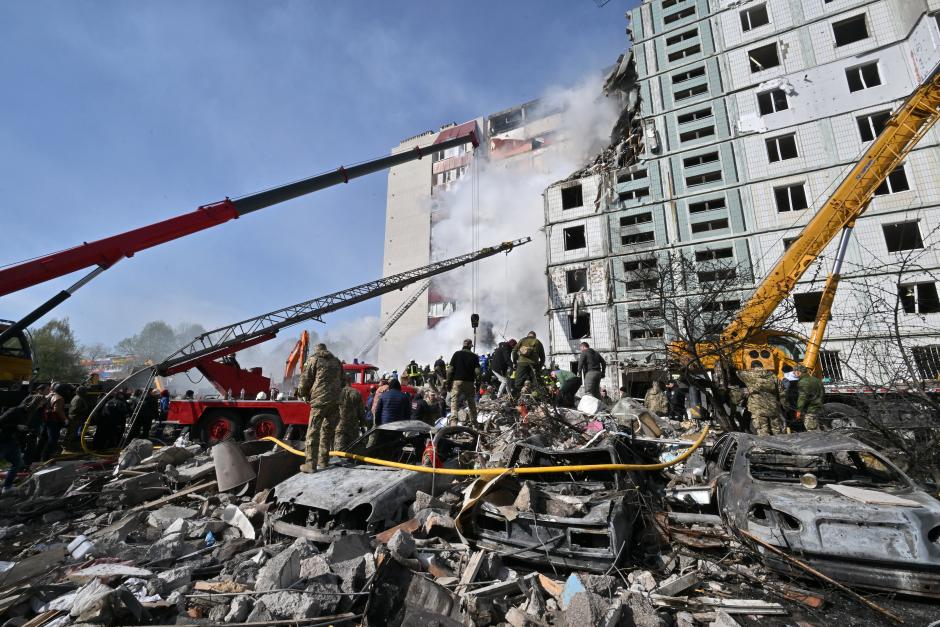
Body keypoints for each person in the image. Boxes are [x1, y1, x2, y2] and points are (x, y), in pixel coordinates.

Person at [296, 343, 343, 473]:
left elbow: (305, 380)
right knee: (327, 431)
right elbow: (343, 381)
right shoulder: (337, 361)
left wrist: (302, 394)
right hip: (335, 401)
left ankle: (310, 464)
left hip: (319, 401)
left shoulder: (313, 360)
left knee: (313, 431)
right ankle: (324, 460)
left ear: (316, 350)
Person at [737, 367, 785, 436]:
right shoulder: (772, 376)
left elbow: (738, 373)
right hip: (773, 407)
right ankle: (779, 445)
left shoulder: (749, 375)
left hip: (757, 408)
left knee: (763, 431)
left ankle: (766, 446)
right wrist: (784, 406)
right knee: (777, 430)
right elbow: (782, 392)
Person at [446, 339, 480, 424]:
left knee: (454, 402)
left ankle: (453, 423)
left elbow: (450, 370)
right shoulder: (474, 356)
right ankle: (474, 423)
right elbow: (478, 372)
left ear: (463, 345)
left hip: (457, 382)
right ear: (470, 346)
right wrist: (478, 383)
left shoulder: (457, 354)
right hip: (469, 382)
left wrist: (448, 382)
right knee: (471, 403)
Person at [335, 374, 366, 451]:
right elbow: (361, 412)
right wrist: (362, 424)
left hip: (339, 426)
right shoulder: (356, 393)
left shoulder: (336, 393)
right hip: (353, 427)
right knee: (352, 450)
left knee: (338, 451)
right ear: (350, 380)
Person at [512, 331, 545, 398]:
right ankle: (536, 399)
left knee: (518, 383)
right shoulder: (537, 342)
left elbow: (514, 351)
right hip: (534, 364)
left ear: (528, 335)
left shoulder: (522, 340)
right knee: (536, 384)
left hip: (522, 364)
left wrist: (515, 362)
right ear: (534, 336)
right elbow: (543, 357)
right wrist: (539, 367)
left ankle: (516, 398)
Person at [793, 366, 824, 431]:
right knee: (819, 427)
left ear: (798, 372)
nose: (793, 373)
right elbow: (822, 393)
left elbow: (802, 397)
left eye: (794, 371)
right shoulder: (816, 380)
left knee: (812, 431)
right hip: (818, 408)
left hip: (809, 410)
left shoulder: (802, 382)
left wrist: (799, 410)